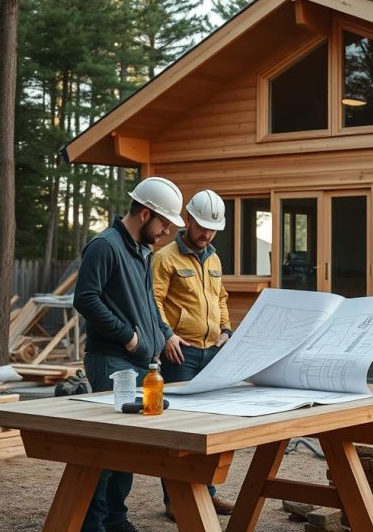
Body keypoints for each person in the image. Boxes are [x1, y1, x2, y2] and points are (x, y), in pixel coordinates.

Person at [73, 176, 185, 532]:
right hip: (111, 360)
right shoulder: (104, 246)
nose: (167, 230)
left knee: (127, 447)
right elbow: (86, 298)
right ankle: (93, 524)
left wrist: (163, 333)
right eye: (165, 221)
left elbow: (148, 304)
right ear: (145, 213)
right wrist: (129, 338)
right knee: (107, 449)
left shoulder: (142, 253)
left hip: (139, 363)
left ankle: (116, 519)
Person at [152, 189, 235, 521]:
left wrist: (226, 330)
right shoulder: (165, 258)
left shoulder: (214, 258)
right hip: (180, 355)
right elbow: (152, 301)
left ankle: (207, 493)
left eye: (213, 229)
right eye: (202, 226)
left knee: (209, 428)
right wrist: (165, 334)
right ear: (187, 219)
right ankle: (174, 499)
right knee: (178, 429)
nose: (207, 234)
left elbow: (222, 298)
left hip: (212, 352)